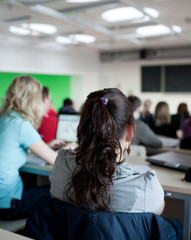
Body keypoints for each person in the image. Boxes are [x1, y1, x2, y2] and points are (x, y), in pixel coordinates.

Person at [49, 88, 182, 239]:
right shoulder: (146, 187)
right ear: (130, 133)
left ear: (83, 129)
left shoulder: (60, 164)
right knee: (178, 225)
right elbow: (158, 209)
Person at [0, 75, 65, 220]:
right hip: (8, 204)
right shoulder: (21, 125)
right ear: (33, 99)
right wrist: (71, 147)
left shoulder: (5, 118)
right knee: (63, 192)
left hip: (3, 199)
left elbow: (11, 148)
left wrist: (45, 146)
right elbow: (56, 160)